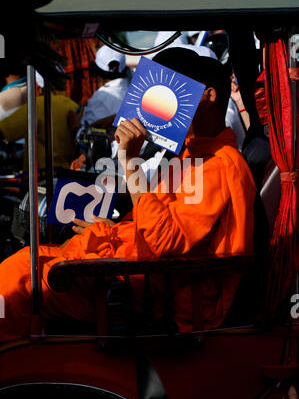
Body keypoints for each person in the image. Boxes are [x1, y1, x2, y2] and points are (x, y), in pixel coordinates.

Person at [0, 46, 256, 342]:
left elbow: (163, 242)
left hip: (155, 291)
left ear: (207, 97)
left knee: (20, 277)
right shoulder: (189, 155)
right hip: (134, 270)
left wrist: (131, 161)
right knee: (29, 259)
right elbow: (156, 221)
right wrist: (115, 229)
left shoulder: (220, 165)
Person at [0, 81, 79, 170]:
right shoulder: (73, 105)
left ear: (37, 87)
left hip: (43, 175)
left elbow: (4, 130)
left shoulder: (38, 104)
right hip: (66, 173)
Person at [78, 45, 131, 135]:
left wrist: (74, 125)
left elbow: (86, 137)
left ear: (97, 71)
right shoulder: (133, 92)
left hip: (115, 148)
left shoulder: (100, 96)